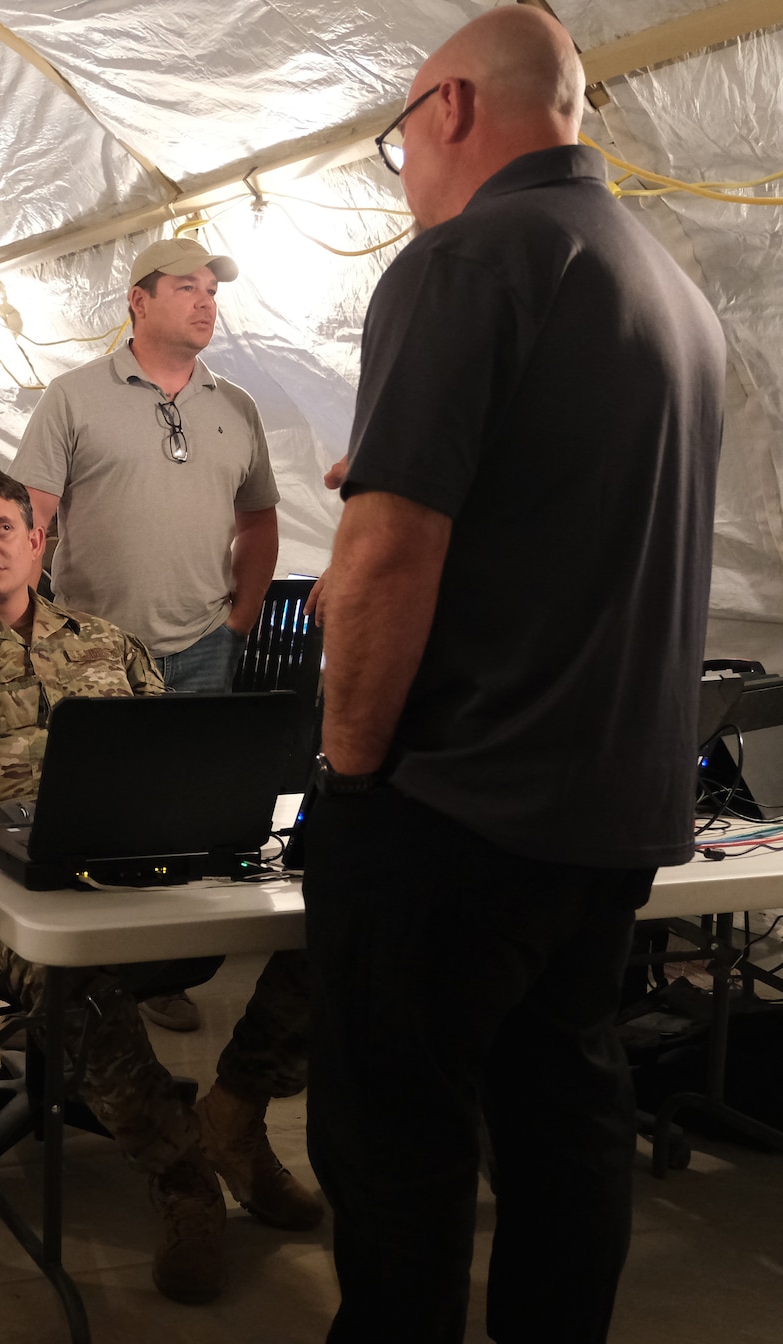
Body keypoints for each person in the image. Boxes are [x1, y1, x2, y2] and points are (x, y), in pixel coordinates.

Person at [306, 9, 725, 1342]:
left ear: (448, 110)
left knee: (395, 1142)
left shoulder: (466, 259)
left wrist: (352, 776)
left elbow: (381, 565)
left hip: (458, 797)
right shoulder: (669, 287)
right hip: (612, 806)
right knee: (564, 1115)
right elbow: (565, 515)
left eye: (398, 141)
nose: (405, 171)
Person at [0, 468, 324, 1306]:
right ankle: (183, 1177)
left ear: (38, 542)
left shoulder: (109, 646)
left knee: (327, 926)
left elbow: (173, 754)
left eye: (3, 527)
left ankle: (239, 1111)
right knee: (71, 975)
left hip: (133, 856)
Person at [11, 235, 282, 1034]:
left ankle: (155, 976)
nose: (206, 303)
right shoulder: (74, 395)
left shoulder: (236, 406)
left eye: (213, 291)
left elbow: (259, 521)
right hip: (91, 646)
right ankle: (62, 985)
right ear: (138, 299)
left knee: (177, 820)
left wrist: (239, 616)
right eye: (188, 288)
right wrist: (31, 629)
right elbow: (34, 519)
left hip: (201, 643)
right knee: (78, 815)